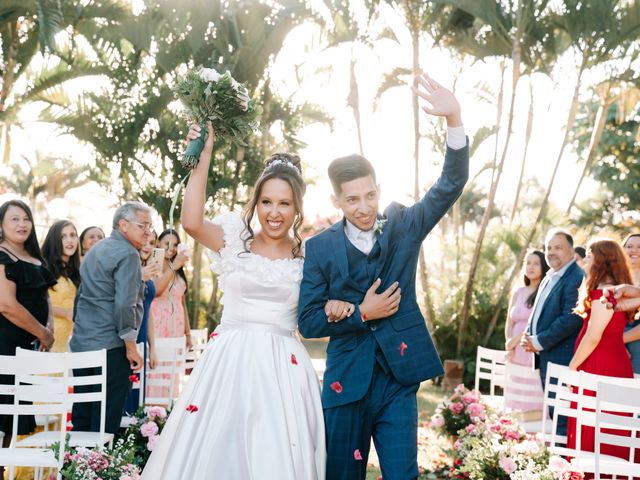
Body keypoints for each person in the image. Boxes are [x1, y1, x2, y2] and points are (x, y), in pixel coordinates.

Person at [141, 123, 340, 480]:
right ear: (255, 202)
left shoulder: (309, 256)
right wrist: (202, 159)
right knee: (216, 453)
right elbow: (191, 221)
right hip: (228, 362)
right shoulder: (234, 239)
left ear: (297, 208)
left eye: (284, 203)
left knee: (274, 456)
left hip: (284, 370)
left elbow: (318, 313)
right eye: (266, 202)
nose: (274, 212)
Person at [298, 72, 468, 480]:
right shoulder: (319, 247)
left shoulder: (404, 224)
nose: (363, 207)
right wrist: (361, 313)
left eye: (369, 195)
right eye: (352, 199)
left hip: (399, 379)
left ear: (379, 189)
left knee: (402, 475)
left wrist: (455, 119)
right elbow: (306, 321)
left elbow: (450, 184)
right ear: (335, 200)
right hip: (345, 383)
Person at [69, 202, 147, 434]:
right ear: (124, 225)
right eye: (143, 225)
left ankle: (75, 469)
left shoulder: (96, 250)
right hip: (110, 347)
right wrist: (131, 347)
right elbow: (125, 305)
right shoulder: (128, 254)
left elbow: (79, 296)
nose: (148, 231)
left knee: (82, 414)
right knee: (105, 420)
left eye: (149, 226)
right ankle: (100, 469)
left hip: (83, 344)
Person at [0, 200, 55, 478]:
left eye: (26, 218)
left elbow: (44, 296)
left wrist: (50, 328)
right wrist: (42, 332)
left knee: (13, 421)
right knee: (1, 418)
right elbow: (6, 305)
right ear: (1, 225)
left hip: (28, 351)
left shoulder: (35, 258)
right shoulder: (1, 256)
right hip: (5, 348)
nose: (22, 224)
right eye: (14, 219)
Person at [567, 239, 634, 460]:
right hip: (607, 362)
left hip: (601, 366)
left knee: (600, 429)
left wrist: (572, 366)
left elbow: (593, 337)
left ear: (601, 260)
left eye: (589, 255)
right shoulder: (613, 292)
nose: (585, 259)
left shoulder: (604, 293)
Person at [521, 229, 584, 435]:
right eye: (549, 248)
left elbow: (571, 318)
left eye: (558, 247)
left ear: (571, 250)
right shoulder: (550, 276)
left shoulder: (576, 276)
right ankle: (557, 463)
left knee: (563, 416)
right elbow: (539, 310)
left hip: (563, 357)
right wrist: (528, 334)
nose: (552, 252)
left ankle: (563, 465)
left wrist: (539, 341)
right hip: (547, 357)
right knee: (553, 411)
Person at [147, 228, 191, 400]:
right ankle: (151, 414)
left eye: (175, 245)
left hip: (176, 327)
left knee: (172, 372)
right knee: (158, 371)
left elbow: (182, 301)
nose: (171, 248)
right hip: (158, 325)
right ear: (158, 243)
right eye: (167, 244)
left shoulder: (178, 269)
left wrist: (187, 332)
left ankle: (167, 412)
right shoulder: (154, 265)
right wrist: (175, 265)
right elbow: (156, 291)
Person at [503, 250, 549, 412]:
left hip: (532, 352)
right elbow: (509, 322)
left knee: (530, 401)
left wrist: (515, 340)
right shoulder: (518, 292)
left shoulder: (545, 293)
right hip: (515, 352)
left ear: (544, 267)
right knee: (513, 401)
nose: (531, 267)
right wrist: (509, 344)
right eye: (528, 263)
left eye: (536, 263)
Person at [123, 229, 160, 414]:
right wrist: (140, 277)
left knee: (137, 396)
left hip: (142, 340)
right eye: (145, 241)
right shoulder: (127, 266)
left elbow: (148, 310)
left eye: (152, 243)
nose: (148, 246)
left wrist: (152, 347)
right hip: (126, 339)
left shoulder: (148, 269)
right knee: (124, 394)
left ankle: (131, 439)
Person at [41, 219, 81, 352]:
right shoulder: (44, 267)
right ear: (54, 241)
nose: (69, 240)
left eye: (73, 235)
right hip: (44, 342)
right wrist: (65, 312)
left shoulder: (75, 272)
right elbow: (33, 304)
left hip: (64, 344)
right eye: (63, 236)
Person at [621, 233, 640, 373]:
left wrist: (617, 341)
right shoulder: (614, 279)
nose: (634, 250)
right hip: (613, 348)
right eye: (629, 246)